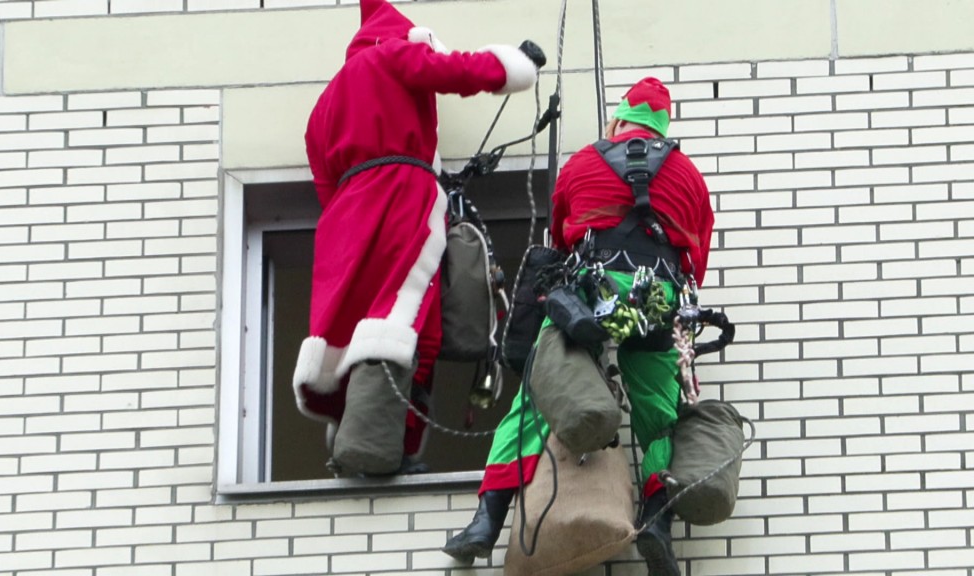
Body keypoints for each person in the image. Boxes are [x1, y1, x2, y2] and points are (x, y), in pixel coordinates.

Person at [443, 77, 714, 576]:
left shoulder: (585, 163)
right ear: (663, 126)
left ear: (619, 119)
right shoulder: (689, 177)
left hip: (592, 294)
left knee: (537, 397)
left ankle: (486, 520)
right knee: (658, 412)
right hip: (658, 299)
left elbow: (564, 233)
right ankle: (657, 524)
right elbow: (697, 257)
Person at [292, 0, 544, 477]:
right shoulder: (391, 55)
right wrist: (515, 66)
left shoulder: (322, 107)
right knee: (407, 323)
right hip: (399, 198)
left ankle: (360, 438)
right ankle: (383, 447)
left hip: (344, 220)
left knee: (358, 327)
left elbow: (325, 186)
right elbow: (454, 72)